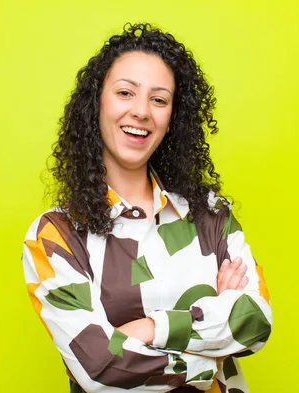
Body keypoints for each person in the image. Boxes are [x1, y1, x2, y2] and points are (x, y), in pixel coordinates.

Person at [21, 23, 272, 393]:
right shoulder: (56, 235)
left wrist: (147, 329)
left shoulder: (210, 215)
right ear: (97, 104)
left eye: (159, 99)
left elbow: (255, 321)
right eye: (125, 93)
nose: (141, 112)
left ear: (173, 119)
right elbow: (100, 369)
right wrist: (210, 357)